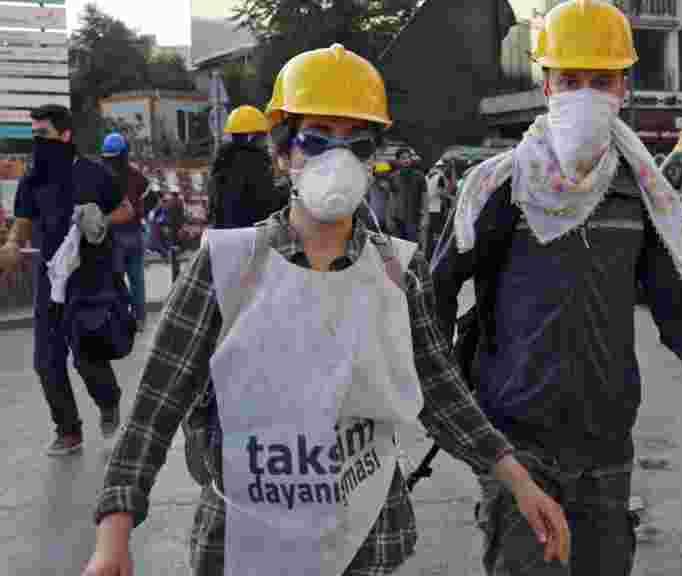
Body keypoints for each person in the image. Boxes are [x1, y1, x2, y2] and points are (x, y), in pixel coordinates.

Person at [83, 44, 569, 576]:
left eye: (356, 143)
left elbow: (439, 392)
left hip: (364, 539)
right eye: (316, 139)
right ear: (282, 153)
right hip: (245, 540)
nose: (336, 159)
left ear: (372, 160)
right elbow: (155, 407)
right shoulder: (227, 266)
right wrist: (114, 535)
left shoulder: (395, 272)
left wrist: (516, 480)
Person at [431, 2, 682, 574]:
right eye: (569, 80)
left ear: (624, 86)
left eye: (599, 81)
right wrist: (427, 389)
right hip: (517, 441)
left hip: (607, 443)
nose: (584, 94)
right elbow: (435, 290)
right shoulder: (501, 188)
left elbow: (676, 300)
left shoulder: (641, 192)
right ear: (546, 85)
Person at [0, 104, 134, 455]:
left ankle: (108, 402)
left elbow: (127, 210)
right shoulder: (34, 178)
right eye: (34, 136)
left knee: (86, 356)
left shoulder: (93, 174)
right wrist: (13, 243)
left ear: (65, 135)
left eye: (43, 134)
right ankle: (69, 429)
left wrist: (99, 215)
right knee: (46, 360)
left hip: (88, 279)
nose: (37, 141)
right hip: (50, 281)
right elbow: (24, 219)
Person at [207, 105, 286, 229]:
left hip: (221, 236)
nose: (265, 141)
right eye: (263, 136)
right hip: (247, 236)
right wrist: (286, 191)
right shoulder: (254, 162)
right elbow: (266, 204)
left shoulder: (222, 161)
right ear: (251, 137)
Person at [101, 133, 149, 330]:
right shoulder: (137, 175)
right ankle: (140, 319)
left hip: (114, 234)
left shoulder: (104, 175)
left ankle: (120, 318)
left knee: (116, 279)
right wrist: (139, 212)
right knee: (137, 278)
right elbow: (150, 196)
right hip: (135, 233)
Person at [388, 147, 425, 243]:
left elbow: (425, 197)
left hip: (413, 218)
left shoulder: (419, 176)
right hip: (397, 218)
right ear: (398, 161)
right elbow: (392, 199)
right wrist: (390, 218)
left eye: (408, 158)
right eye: (403, 158)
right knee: (399, 246)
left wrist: (425, 217)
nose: (407, 160)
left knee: (412, 245)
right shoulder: (393, 177)